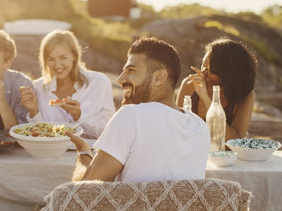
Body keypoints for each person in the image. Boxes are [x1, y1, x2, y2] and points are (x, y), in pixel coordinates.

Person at [66, 36, 210, 182]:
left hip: (131, 206)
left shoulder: (131, 116)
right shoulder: (200, 127)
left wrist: (83, 153)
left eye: (131, 70)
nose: (120, 79)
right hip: (183, 206)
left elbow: (84, 191)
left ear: (159, 77)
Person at [19, 30, 115, 139]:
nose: (57, 65)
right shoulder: (38, 87)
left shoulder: (99, 82)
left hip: (89, 153)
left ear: (74, 55)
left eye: (63, 57)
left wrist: (79, 115)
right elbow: (41, 136)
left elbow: (107, 133)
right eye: (51, 59)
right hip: (51, 153)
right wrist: (34, 110)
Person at [176, 38, 257, 141]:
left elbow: (234, 140)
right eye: (203, 65)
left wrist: (206, 99)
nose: (203, 73)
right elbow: (178, 128)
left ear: (228, 72)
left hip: (225, 156)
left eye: (209, 69)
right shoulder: (190, 85)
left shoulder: (246, 96)